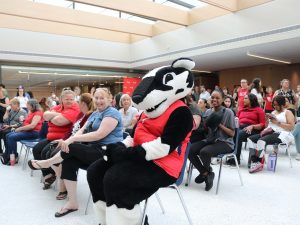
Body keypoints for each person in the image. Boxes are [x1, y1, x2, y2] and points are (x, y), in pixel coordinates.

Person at [28, 88, 123, 217]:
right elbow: (82, 130)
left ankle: (47, 163)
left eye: (102, 98)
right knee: (69, 160)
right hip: (94, 150)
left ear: (109, 99)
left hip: (108, 153)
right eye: (96, 98)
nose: (99, 101)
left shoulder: (112, 113)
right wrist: (72, 139)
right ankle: (73, 203)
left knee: (72, 148)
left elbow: (99, 135)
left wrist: (72, 140)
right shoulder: (95, 113)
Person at [31, 90, 80, 190]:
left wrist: (52, 116)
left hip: (63, 139)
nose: (69, 101)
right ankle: (49, 174)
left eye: (72, 99)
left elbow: (59, 121)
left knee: (45, 152)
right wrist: (55, 115)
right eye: (67, 99)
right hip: (51, 138)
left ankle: (53, 174)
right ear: (61, 99)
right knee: (36, 149)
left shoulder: (75, 109)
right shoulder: (58, 107)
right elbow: (45, 115)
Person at [189, 89, 235, 191]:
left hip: (225, 142)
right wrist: (205, 125)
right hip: (210, 140)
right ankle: (206, 173)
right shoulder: (208, 111)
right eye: (213, 97)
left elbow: (232, 133)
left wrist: (218, 124)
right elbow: (205, 130)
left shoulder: (228, 112)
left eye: (217, 98)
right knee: (191, 150)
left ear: (222, 99)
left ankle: (205, 173)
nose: (214, 99)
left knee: (204, 152)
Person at [53, 93, 95, 201]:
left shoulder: (91, 115)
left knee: (61, 156)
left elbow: (84, 134)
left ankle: (63, 187)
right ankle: (59, 180)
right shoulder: (80, 114)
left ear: (82, 103)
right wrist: (64, 139)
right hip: (72, 140)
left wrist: (69, 141)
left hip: (81, 144)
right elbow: (72, 130)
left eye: (76, 101)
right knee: (51, 151)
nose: (75, 103)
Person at [247, 95, 295, 173]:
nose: (274, 106)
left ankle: (257, 162)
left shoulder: (288, 112)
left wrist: (277, 123)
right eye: (274, 104)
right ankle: (256, 158)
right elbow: (268, 126)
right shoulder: (273, 112)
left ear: (282, 105)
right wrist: (267, 120)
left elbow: (291, 127)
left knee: (261, 141)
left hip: (281, 133)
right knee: (250, 139)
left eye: (276, 105)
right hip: (270, 131)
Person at [0, 99, 43, 165]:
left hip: (34, 133)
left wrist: (20, 128)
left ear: (32, 105)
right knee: (8, 135)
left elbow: (32, 126)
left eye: (28, 104)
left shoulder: (38, 113)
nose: (26, 106)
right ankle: (9, 155)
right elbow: (25, 122)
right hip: (27, 131)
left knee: (11, 137)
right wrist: (22, 122)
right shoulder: (31, 112)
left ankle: (14, 157)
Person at [226, 94, 265, 166]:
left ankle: (236, 159)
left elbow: (262, 124)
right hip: (240, 127)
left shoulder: (259, 110)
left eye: (246, 98)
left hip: (253, 129)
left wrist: (252, 126)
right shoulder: (241, 109)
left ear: (251, 100)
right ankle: (229, 154)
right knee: (230, 132)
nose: (243, 100)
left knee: (239, 134)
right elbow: (237, 119)